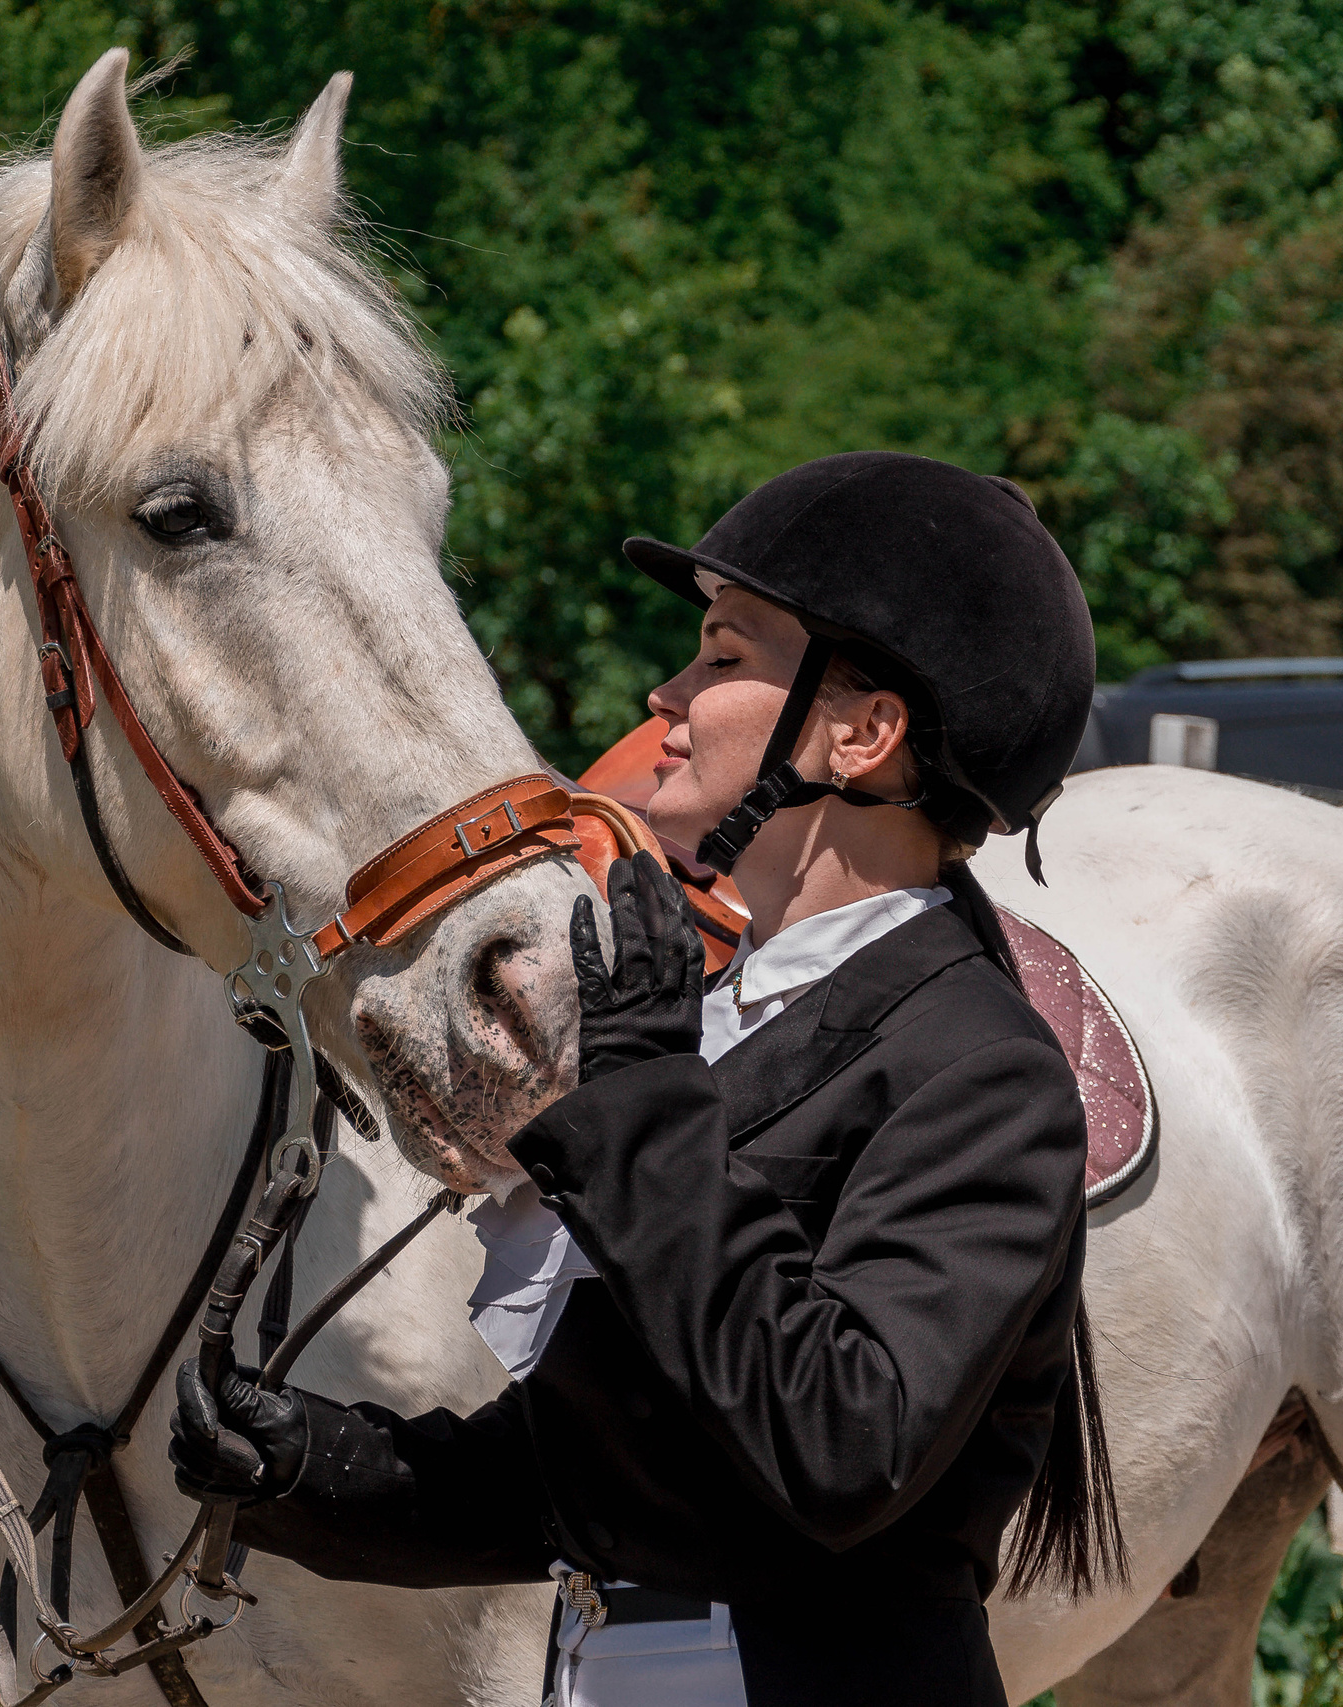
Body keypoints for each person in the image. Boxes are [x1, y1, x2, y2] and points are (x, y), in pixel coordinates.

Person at [170, 452, 1123, 1706]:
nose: (666, 692)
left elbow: (838, 1445)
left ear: (861, 732)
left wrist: (638, 1104)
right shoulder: (725, 1019)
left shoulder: (981, 1071)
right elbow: (621, 1479)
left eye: (723, 657)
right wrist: (311, 1467)